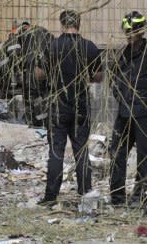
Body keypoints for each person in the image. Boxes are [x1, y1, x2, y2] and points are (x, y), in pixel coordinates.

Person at [39, 10, 101, 206]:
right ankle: (85, 192)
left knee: (56, 151)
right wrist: (84, 77)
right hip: (81, 106)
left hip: (58, 105)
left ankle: (50, 197)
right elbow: (98, 77)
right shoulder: (89, 47)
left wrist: (53, 77)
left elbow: (39, 74)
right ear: (79, 24)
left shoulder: (52, 46)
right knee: (81, 149)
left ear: (62, 24)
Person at [109, 11, 147, 206]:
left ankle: (139, 197)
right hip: (124, 113)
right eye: (128, 31)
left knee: (144, 157)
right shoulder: (123, 54)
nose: (130, 34)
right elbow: (114, 80)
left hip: (143, 115)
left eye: (133, 31)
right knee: (116, 152)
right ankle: (116, 197)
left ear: (141, 31)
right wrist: (120, 96)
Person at [8, 21, 53, 127]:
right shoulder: (45, 33)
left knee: (35, 99)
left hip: (33, 74)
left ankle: (38, 124)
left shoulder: (27, 37)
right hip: (45, 73)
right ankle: (44, 125)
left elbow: (16, 56)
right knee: (43, 99)